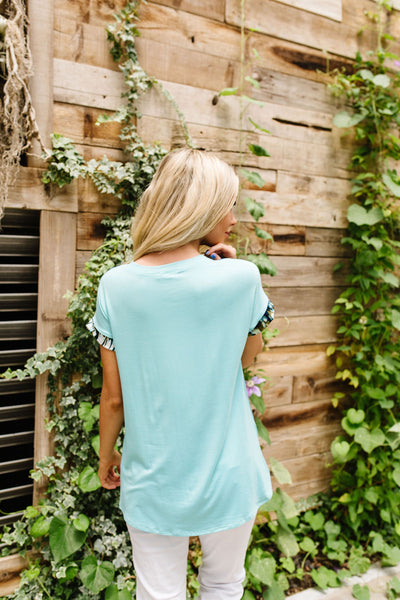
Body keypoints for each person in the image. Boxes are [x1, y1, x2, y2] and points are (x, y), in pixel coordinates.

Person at [87, 148, 275, 600]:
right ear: (202, 206)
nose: (234, 217)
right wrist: (223, 272)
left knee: (158, 594)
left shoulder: (115, 284)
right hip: (231, 475)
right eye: (228, 204)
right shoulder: (241, 277)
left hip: (153, 478)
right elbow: (247, 360)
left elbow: (113, 397)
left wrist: (106, 455)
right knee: (224, 585)